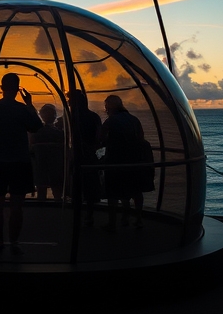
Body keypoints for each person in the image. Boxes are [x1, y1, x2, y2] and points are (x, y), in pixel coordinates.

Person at [0, 72, 42, 254]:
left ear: (1, 88)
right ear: (18, 89)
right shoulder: (22, 109)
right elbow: (37, 127)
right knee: (17, 207)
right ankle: (14, 242)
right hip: (20, 162)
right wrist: (29, 104)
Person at [99, 94, 153, 229]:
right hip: (134, 161)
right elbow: (141, 138)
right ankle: (137, 219)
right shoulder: (134, 120)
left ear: (108, 107)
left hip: (115, 161)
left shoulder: (110, 121)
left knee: (113, 192)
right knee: (135, 191)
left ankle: (112, 223)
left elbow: (100, 139)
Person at [65, 90, 102, 226]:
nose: (68, 102)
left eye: (69, 100)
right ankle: (89, 215)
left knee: (76, 185)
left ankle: (77, 216)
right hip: (90, 155)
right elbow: (99, 137)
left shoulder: (71, 118)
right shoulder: (94, 117)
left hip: (76, 155)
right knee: (90, 186)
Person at [30, 103, 64, 201]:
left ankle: (41, 210)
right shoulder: (59, 132)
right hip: (55, 165)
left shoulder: (36, 132)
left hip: (40, 165)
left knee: (42, 188)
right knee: (57, 189)